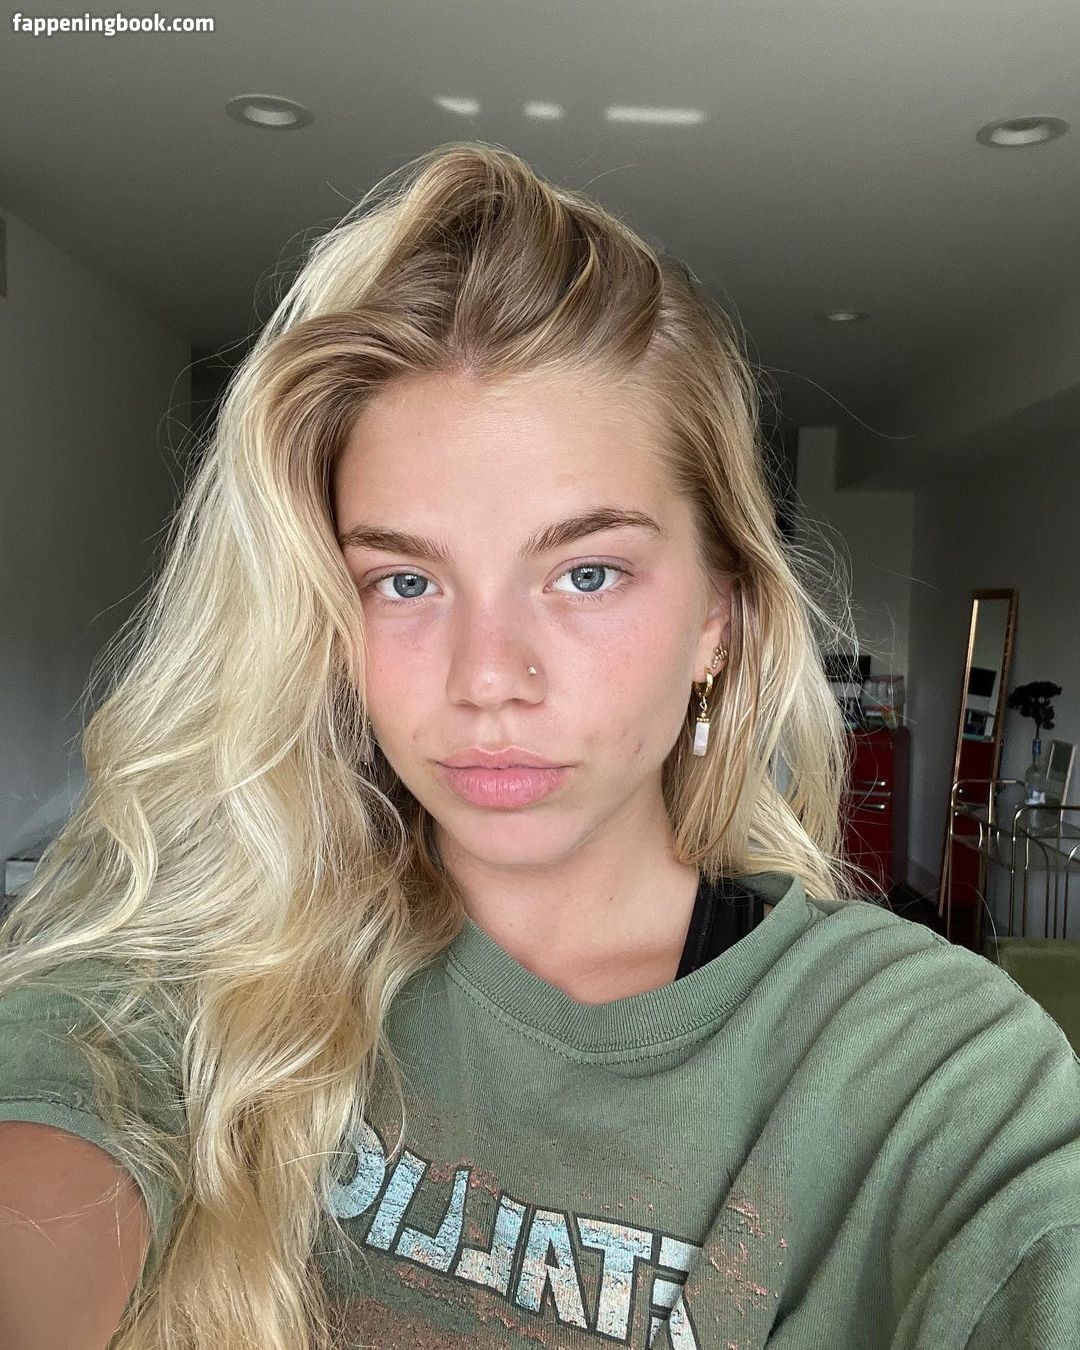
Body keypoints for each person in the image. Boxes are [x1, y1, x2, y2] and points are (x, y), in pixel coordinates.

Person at [0, 142, 1077, 1350]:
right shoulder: (215, 952)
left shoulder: (927, 1067)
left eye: (587, 573)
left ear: (717, 618)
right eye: (406, 581)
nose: (487, 680)